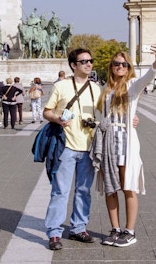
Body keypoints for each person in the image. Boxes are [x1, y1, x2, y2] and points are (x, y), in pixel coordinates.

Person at [92, 44, 156, 248]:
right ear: (111, 66)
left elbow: (148, 77)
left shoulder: (132, 85)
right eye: (116, 64)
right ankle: (115, 228)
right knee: (110, 188)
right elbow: (99, 115)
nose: (120, 67)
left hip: (125, 142)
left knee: (127, 186)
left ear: (129, 67)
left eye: (124, 64)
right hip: (107, 142)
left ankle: (129, 231)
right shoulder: (105, 88)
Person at [43, 48, 102, 251]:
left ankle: (78, 228)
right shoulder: (61, 86)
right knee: (60, 191)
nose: (88, 64)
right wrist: (57, 119)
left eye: (90, 60)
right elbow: (46, 112)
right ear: (73, 65)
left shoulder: (96, 88)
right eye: (83, 61)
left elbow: (104, 113)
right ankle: (54, 232)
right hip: (66, 146)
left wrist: (131, 118)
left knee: (84, 191)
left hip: (88, 146)